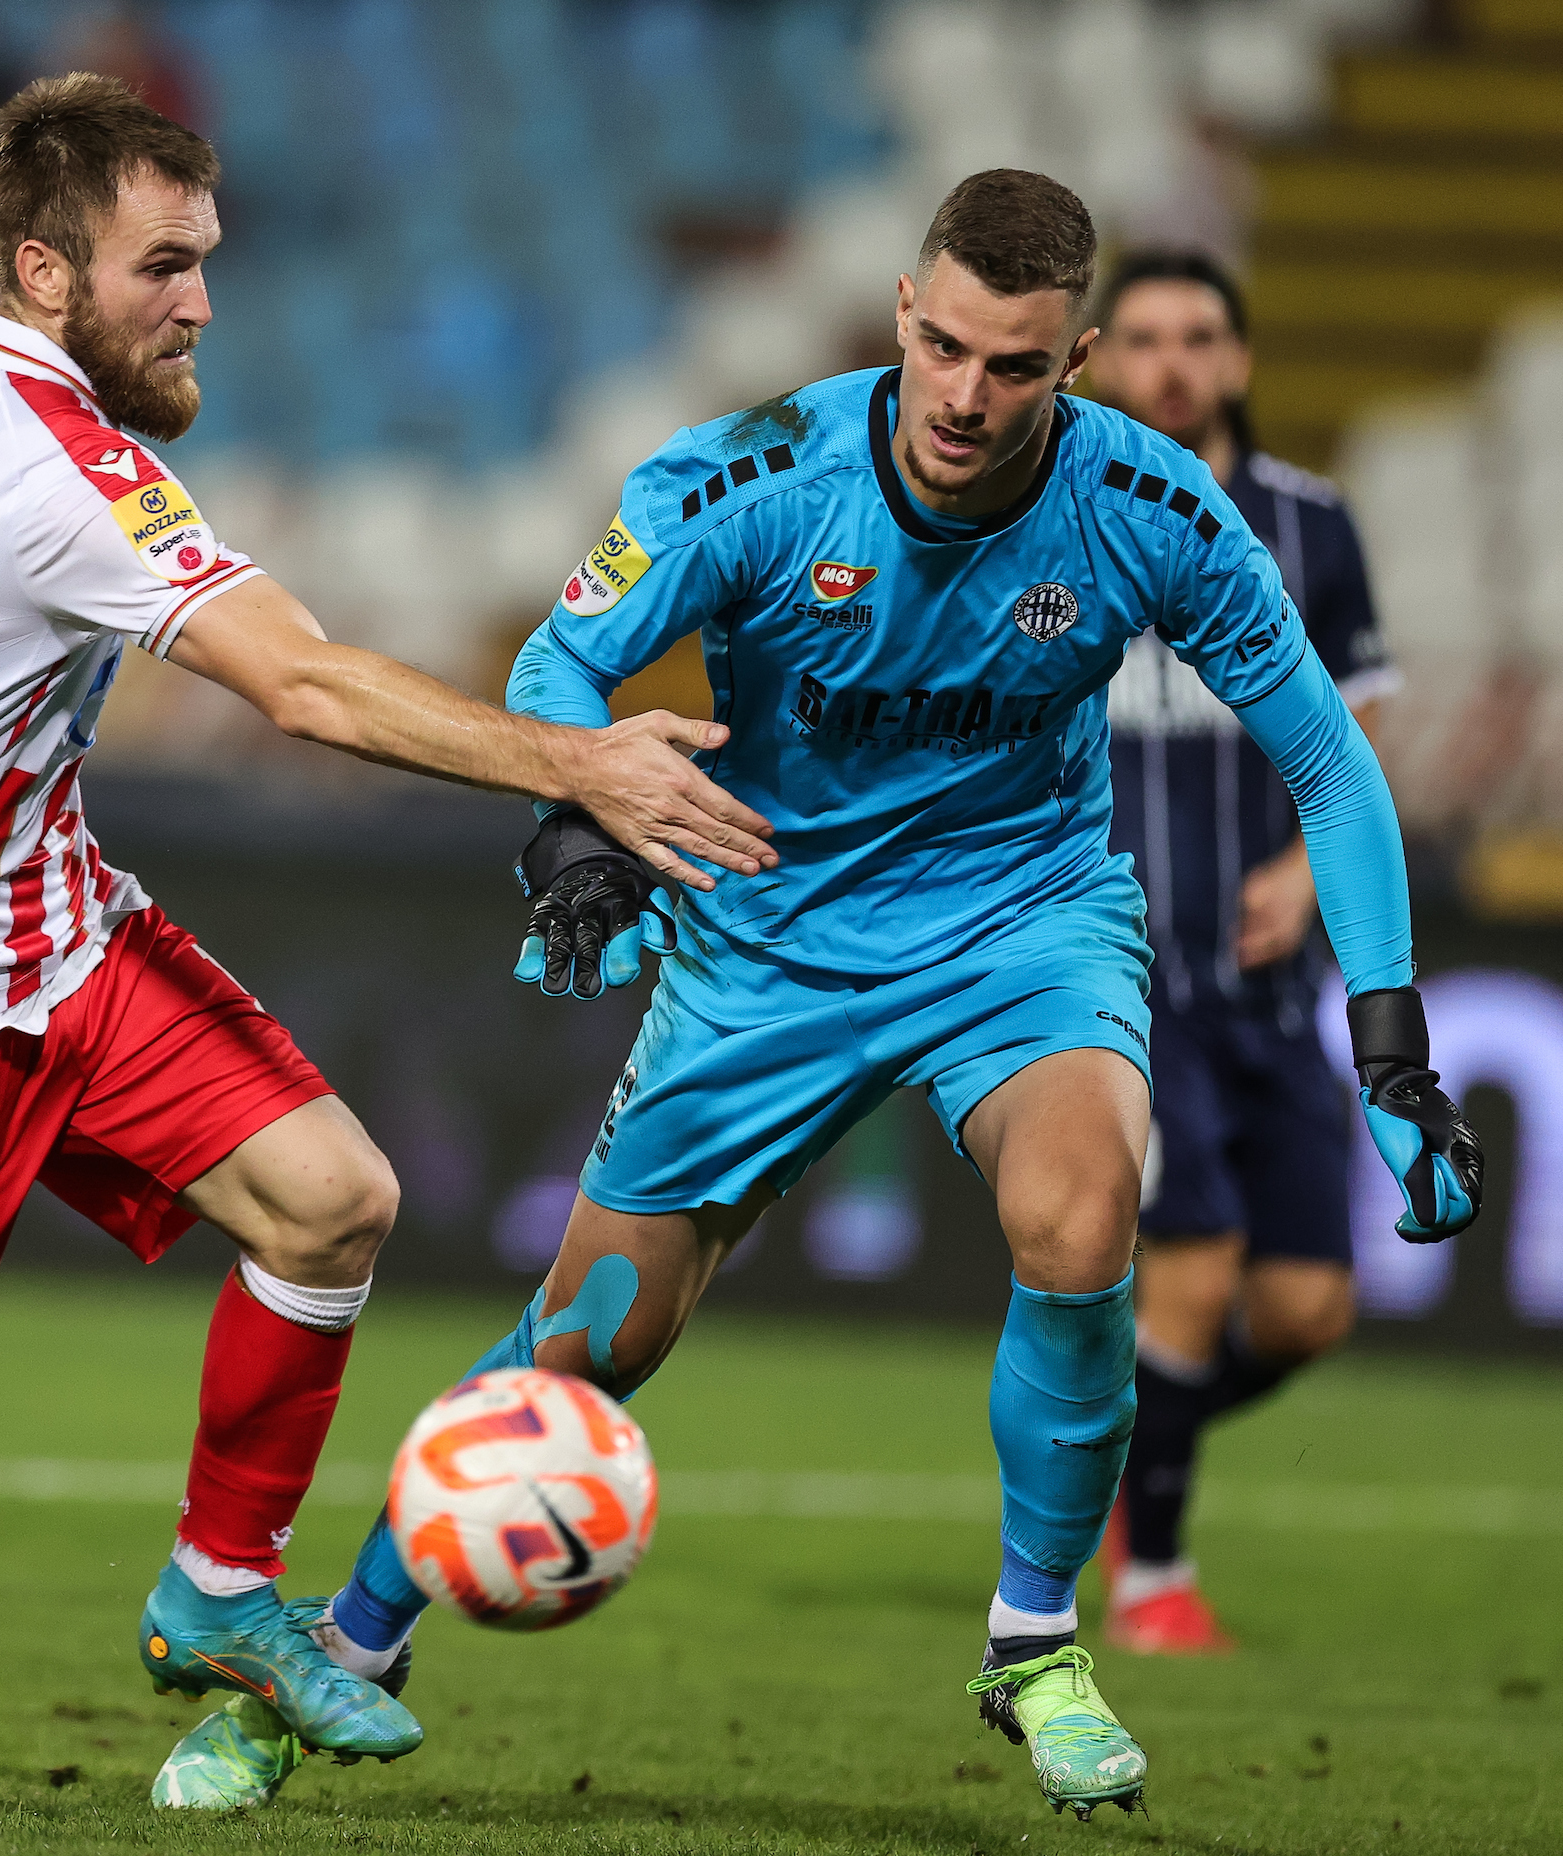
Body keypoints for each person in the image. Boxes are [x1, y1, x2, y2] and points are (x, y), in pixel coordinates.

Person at [154, 169, 1480, 1819]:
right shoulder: (748, 479)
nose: (966, 398)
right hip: (764, 939)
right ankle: (335, 1664)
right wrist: (580, 833)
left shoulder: (1156, 511)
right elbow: (556, 671)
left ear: (1074, 364)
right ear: (905, 314)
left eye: (1014, 369)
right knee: (586, 1345)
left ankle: (1035, 1643)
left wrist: (1394, 1043)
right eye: (942, 350)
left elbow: (1332, 768)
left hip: (1025, 928)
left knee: (1082, 1218)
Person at [0, 72, 777, 1792]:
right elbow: (311, 689)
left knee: (334, 1200)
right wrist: (584, 765)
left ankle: (219, 1592)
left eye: (206, 260)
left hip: (57, 927)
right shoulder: (70, 477)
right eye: (160, 267)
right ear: (43, 272)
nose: (200, 304)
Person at [1086, 250, 1403, 1655]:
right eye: (1142, 336)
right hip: (1122, 983)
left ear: (1240, 358)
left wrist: (1303, 872)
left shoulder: (1311, 529)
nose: (1170, 361)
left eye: (1198, 335)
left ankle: (1110, 1458)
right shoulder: (1053, 520)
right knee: (1195, 1263)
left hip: (1269, 983)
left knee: (1307, 1310)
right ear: (1096, 362)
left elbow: (1362, 729)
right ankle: (1153, 1581)